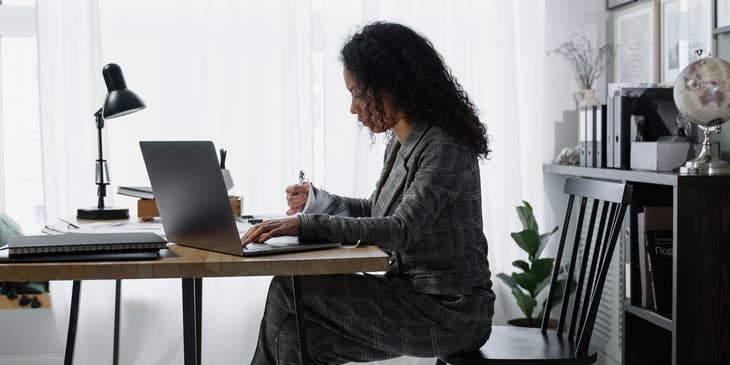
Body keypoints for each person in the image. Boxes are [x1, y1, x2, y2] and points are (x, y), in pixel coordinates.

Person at [242, 21, 494, 364]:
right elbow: (379, 210)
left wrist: (308, 225)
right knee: (296, 338)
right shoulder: (402, 142)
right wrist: (319, 201)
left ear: (393, 87)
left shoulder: (443, 146)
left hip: (449, 314)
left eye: (358, 93)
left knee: (290, 287)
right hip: (411, 297)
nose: (353, 107)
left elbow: (400, 230)